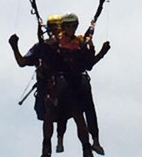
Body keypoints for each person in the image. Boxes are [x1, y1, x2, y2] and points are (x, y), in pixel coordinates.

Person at [10, 17, 95, 157]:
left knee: (78, 113)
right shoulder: (42, 47)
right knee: (50, 111)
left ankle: (87, 149)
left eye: (57, 30)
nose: (54, 33)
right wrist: (14, 46)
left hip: (69, 86)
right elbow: (22, 61)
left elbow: (85, 63)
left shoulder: (71, 45)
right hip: (51, 89)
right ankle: (46, 149)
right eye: (51, 30)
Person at [52, 13, 110, 155]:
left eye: (73, 25)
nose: (71, 28)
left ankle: (95, 140)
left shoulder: (80, 42)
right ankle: (59, 138)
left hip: (78, 78)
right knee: (64, 105)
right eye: (68, 26)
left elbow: (89, 64)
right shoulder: (56, 42)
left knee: (89, 106)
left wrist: (98, 51)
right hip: (64, 78)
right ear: (63, 27)